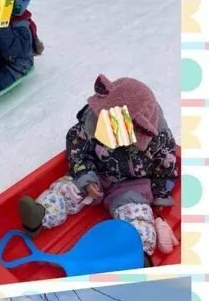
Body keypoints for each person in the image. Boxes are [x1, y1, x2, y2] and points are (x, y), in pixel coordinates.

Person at [17, 75, 178, 264]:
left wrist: (160, 194)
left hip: (131, 187)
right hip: (96, 174)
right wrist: (86, 175)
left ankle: (137, 254)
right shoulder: (93, 122)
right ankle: (40, 215)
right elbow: (77, 148)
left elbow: (165, 167)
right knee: (66, 189)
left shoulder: (158, 140)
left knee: (138, 216)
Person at [0, 0, 43, 92]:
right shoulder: (1, 17)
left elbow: (11, 52)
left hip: (15, 67)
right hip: (1, 55)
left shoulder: (21, 29)